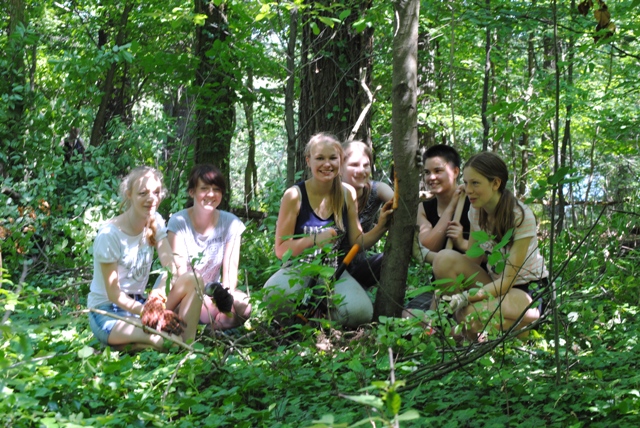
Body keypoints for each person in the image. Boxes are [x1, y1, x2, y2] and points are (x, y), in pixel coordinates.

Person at [263, 133, 393, 328]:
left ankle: (316, 322)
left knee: (361, 312)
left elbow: (357, 241)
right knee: (275, 296)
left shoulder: (347, 193)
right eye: (320, 158)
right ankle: (299, 320)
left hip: (334, 270)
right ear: (308, 161)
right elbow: (281, 250)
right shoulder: (294, 195)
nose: (327, 164)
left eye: (333, 158)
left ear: (340, 160)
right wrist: (315, 239)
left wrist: (382, 225)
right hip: (298, 269)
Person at [432, 152, 548, 339]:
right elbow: (473, 260)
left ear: (495, 183)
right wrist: (438, 296)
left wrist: (464, 298)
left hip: (526, 289)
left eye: (475, 183)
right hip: (494, 283)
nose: (468, 190)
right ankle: (464, 331)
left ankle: (524, 329)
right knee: (443, 259)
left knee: (470, 314)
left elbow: (507, 282)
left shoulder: (520, 216)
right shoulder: (476, 211)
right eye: (466, 183)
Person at [87, 167, 202, 351]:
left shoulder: (155, 220)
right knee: (167, 341)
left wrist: (157, 298)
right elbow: (114, 294)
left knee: (193, 279)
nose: (152, 199)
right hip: (107, 311)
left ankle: (187, 345)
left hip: (140, 303)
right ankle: (119, 342)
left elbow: (170, 267)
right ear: (129, 194)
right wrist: (149, 312)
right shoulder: (109, 235)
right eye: (143, 193)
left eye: (156, 192)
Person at [166, 164, 251, 331]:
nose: (211, 194)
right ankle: (209, 325)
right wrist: (204, 297)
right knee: (207, 310)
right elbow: (180, 275)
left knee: (244, 305)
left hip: (215, 292)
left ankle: (212, 328)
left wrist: (223, 296)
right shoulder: (178, 222)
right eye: (204, 188)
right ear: (192, 192)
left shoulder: (231, 223)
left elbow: (230, 274)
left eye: (216, 189)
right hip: (185, 293)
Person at [404, 144, 470, 315]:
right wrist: (451, 207)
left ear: (455, 172)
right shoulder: (424, 208)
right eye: (427, 172)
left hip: (471, 285)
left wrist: (461, 242)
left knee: (458, 318)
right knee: (407, 315)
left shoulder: (473, 203)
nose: (431, 177)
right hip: (438, 287)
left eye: (438, 171)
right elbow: (429, 245)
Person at [340, 141, 394, 289]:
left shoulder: (376, 189)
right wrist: (381, 227)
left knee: (390, 257)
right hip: (330, 269)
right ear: (340, 168)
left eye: (366, 165)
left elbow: (399, 204)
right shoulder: (331, 193)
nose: (361, 171)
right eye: (354, 165)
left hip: (358, 267)